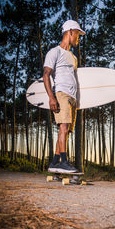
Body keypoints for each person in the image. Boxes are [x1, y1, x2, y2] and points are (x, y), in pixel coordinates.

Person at [43, 20, 85, 173]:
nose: (78, 39)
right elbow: (46, 74)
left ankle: (54, 162)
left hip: (72, 97)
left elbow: (75, 80)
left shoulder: (73, 58)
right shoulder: (55, 52)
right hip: (61, 93)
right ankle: (64, 162)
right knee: (63, 127)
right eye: (77, 35)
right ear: (70, 32)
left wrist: (78, 101)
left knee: (66, 130)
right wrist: (51, 97)